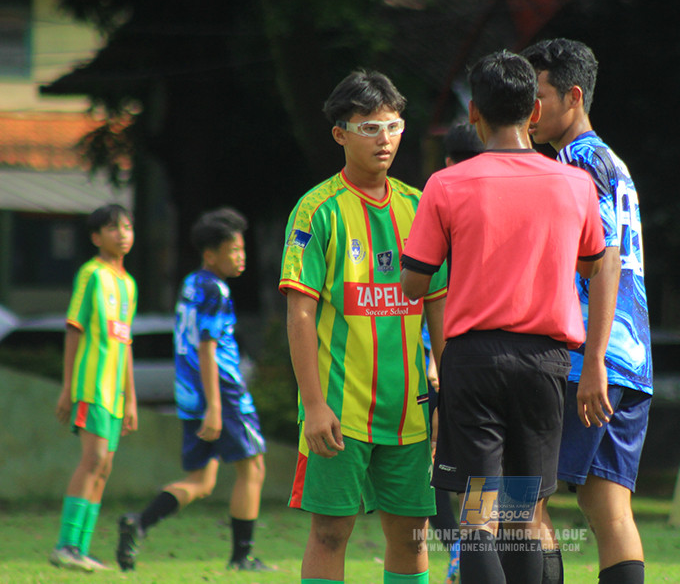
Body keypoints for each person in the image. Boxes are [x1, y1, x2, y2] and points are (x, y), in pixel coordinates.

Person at [400, 49, 606, 584]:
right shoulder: (575, 184)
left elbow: (415, 285)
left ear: (474, 114)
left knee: (477, 521)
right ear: (534, 112)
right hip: (545, 362)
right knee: (519, 516)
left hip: (473, 361)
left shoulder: (445, 186)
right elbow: (598, 268)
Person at [280, 69, 448, 584]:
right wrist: (312, 404)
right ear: (340, 134)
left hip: (411, 413)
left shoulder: (421, 208)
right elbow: (300, 314)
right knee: (331, 533)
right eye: (370, 128)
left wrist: (452, 395)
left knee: (412, 534)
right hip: (340, 412)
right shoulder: (315, 211)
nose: (385, 139)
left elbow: (440, 310)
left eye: (393, 126)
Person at [522, 37, 653, 584]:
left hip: (585, 360)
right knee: (606, 508)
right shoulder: (614, 163)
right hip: (634, 359)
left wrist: (592, 359)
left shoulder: (575, 166)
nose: (531, 110)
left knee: (520, 498)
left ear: (573, 97)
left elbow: (602, 262)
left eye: (540, 96)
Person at [115, 207, 272, 572]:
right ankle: (241, 557)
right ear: (210, 255)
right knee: (254, 469)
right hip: (222, 393)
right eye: (233, 250)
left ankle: (139, 523)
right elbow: (207, 348)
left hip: (190, 394)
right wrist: (216, 407)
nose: (241, 257)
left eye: (242, 249)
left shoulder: (190, 283)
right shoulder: (215, 290)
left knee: (201, 481)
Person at [50, 203, 138, 572]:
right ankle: (65, 545)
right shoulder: (91, 274)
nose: (122, 234)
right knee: (94, 459)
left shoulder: (129, 284)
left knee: (104, 467)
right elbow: (75, 328)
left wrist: (131, 398)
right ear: (95, 237)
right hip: (91, 386)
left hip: (116, 395)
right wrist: (68, 386)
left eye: (127, 227)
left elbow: (126, 343)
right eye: (112, 228)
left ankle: (80, 548)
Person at [428, 122, 485, 583]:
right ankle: (471, 557)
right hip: (519, 358)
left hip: (454, 362)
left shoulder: (441, 202)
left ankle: (457, 559)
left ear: (447, 161)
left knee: (447, 466)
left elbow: (420, 291)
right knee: (500, 477)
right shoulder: (508, 202)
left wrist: (431, 362)